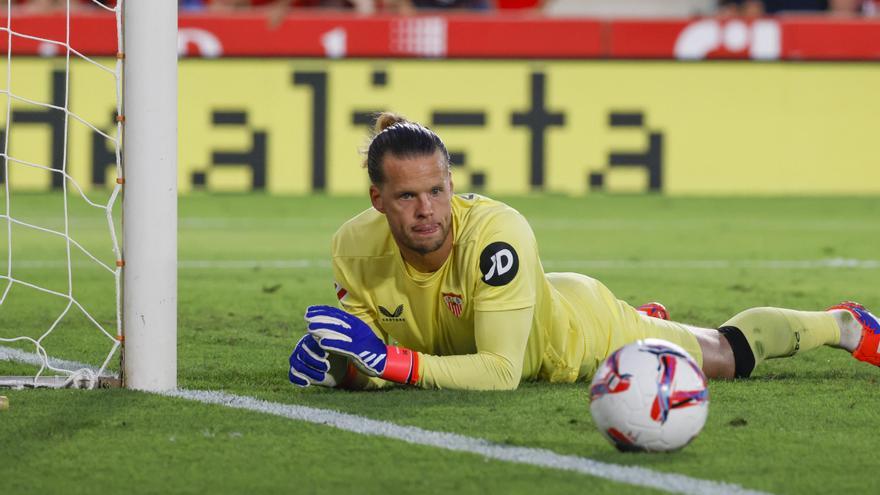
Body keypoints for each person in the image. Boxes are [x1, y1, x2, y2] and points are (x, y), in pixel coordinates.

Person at [288, 112, 879, 391]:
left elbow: (500, 372)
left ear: (451, 184)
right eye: (408, 196)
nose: (427, 210)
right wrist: (337, 363)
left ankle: (843, 325)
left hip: (577, 333)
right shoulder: (352, 247)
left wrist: (389, 362)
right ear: (378, 199)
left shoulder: (497, 234)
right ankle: (645, 321)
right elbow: (370, 371)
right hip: (528, 312)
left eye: (438, 190)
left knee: (723, 355)